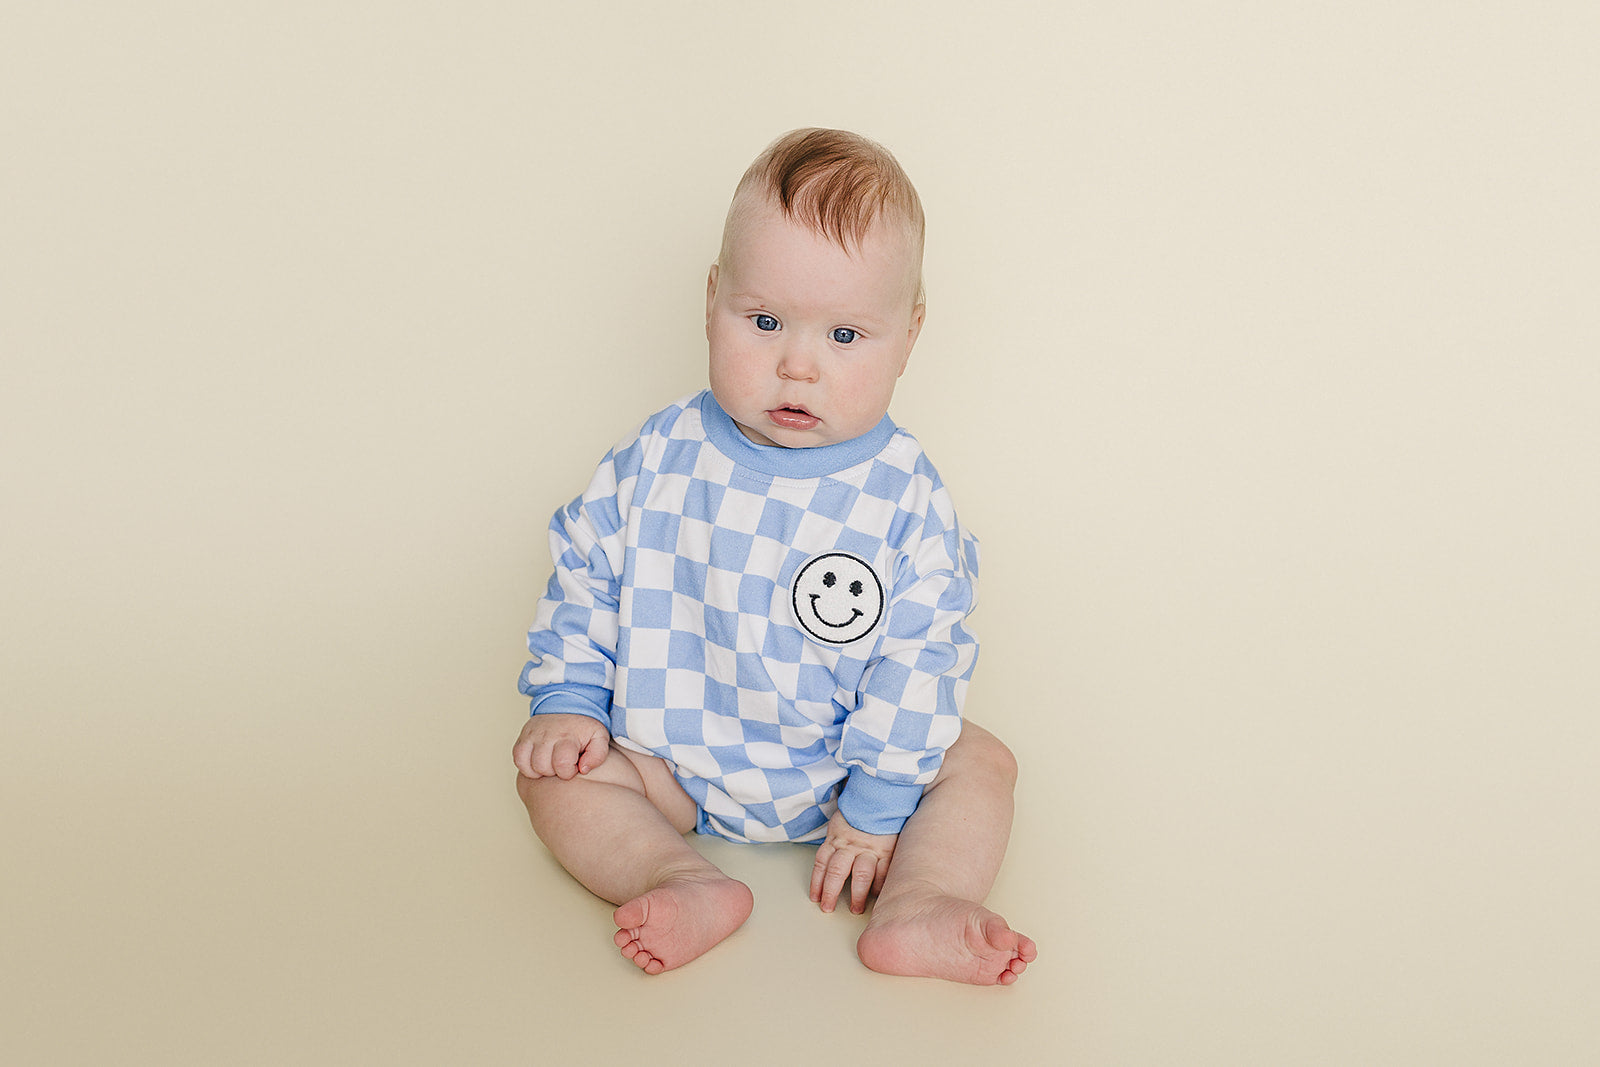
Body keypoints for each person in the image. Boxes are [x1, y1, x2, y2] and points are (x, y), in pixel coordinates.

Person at [512, 128, 1036, 985]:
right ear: (711, 300)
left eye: (846, 335)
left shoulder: (905, 496)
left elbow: (921, 658)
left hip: (843, 774)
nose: (797, 365)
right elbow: (587, 570)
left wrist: (877, 807)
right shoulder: (661, 453)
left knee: (981, 763)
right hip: (670, 760)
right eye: (763, 322)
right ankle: (677, 876)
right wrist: (568, 697)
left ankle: (920, 899)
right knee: (552, 775)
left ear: (910, 335)